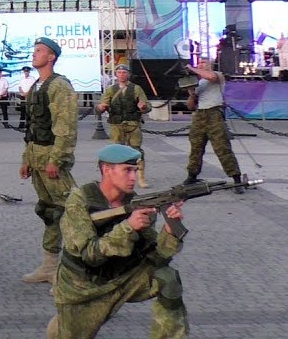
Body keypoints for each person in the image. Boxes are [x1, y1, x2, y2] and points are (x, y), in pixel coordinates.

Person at [48, 144, 187, 339]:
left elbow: (156, 258)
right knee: (68, 334)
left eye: (135, 170)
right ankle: (63, 324)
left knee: (167, 278)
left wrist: (170, 232)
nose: (133, 178)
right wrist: (128, 227)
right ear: (107, 170)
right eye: (127, 170)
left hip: (124, 278)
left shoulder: (137, 203)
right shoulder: (79, 201)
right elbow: (90, 255)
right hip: (84, 288)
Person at [19, 37, 79, 285]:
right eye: (34, 50)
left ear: (51, 56)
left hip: (51, 159)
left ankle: (76, 273)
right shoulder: (37, 86)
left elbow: (65, 127)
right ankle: (50, 267)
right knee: (50, 212)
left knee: (73, 212)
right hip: (37, 158)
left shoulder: (59, 86)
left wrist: (57, 158)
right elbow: (33, 127)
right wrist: (26, 159)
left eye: (39, 51)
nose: (34, 54)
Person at [183, 60, 244, 190]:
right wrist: (192, 94)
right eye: (199, 63)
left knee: (222, 147)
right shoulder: (198, 83)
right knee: (196, 147)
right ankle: (192, 175)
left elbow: (210, 77)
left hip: (214, 112)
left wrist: (191, 68)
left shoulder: (217, 75)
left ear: (210, 65)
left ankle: (236, 177)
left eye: (204, 62)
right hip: (200, 114)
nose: (200, 64)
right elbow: (191, 106)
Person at [97, 64, 151, 187]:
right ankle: (116, 176)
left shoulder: (136, 89)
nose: (122, 74)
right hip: (116, 124)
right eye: (119, 72)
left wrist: (143, 107)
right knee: (116, 151)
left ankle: (141, 177)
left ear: (128, 74)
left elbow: (147, 105)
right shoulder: (111, 89)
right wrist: (101, 107)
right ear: (116, 75)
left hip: (133, 123)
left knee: (137, 151)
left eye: (124, 72)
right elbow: (102, 104)